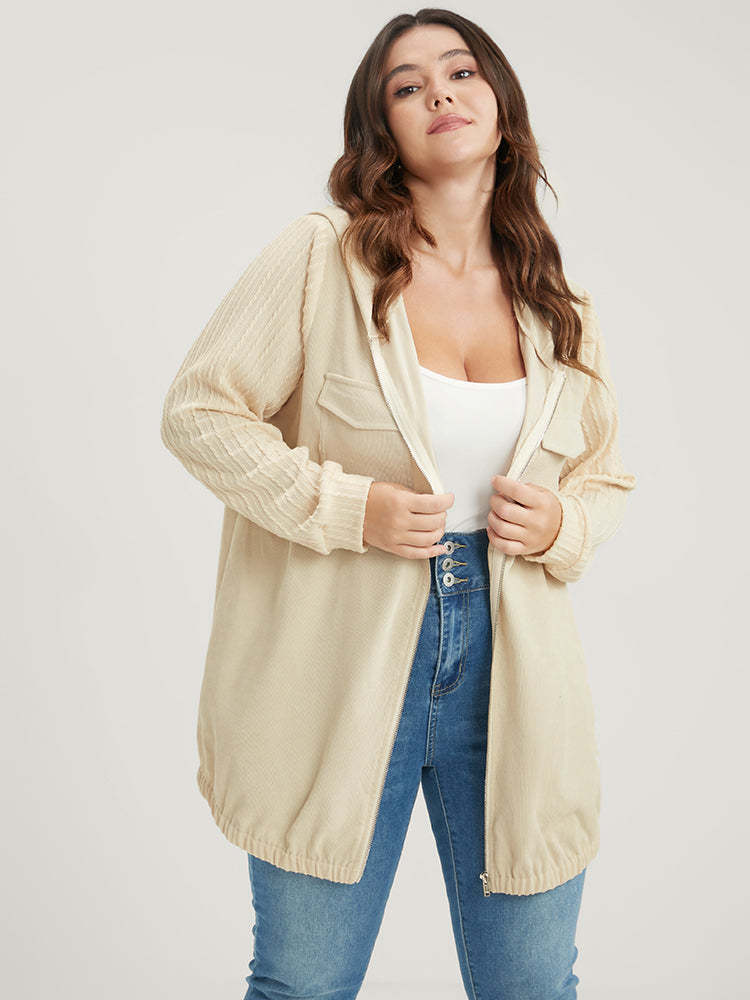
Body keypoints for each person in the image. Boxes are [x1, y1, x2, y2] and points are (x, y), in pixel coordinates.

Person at [160, 9, 637, 999]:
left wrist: (564, 525)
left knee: (535, 987)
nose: (440, 95)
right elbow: (200, 412)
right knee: (302, 984)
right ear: (383, 130)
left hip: (514, 672)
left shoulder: (557, 301)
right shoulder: (321, 258)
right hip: (336, 657)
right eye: (407, 86)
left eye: (461, 73)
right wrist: (347, 508)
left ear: (501, 105)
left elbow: (603, 474)